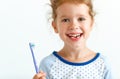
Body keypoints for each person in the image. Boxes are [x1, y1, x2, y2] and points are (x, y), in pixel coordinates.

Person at [33, 0, 112, 79]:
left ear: (91, 24)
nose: (74, 26)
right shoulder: (48, 65)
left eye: (81, 19)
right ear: (55, 26)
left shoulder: (102, 64)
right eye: (65, 20)